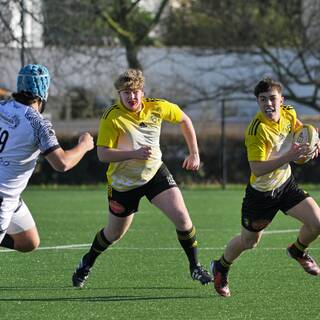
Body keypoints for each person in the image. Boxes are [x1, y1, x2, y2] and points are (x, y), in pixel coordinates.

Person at [72, 69, 212, 288]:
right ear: (119, 94)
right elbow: (102, 154)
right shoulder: (112, 117)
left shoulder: (157, 106)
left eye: (135, 92)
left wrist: (194, 153)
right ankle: (86, 263)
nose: (132, 97)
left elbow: (185, 120)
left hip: (155, 173)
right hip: (123, 184)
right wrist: (133, 154)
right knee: (114, 234)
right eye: (126, 93)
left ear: (142, 92)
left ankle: (195, 267)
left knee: (183, 219)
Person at [210, 77, 320, 297]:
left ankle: (297, 250)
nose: (268, 104)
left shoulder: (288, 112)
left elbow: (301, 131)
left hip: (286, 185)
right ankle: (221, 266)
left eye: (272, 98)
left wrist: (314, 143)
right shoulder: (256, 130)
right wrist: (289, 155)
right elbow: (257, 169)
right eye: (263, 100)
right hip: (261, 194)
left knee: (317, 223)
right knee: (249, 242)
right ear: (258, 102)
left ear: (281, 100)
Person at [0, 64, 94, 252]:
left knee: (28, 242)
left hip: (11, 197)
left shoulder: (2, 106)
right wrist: (84, 145)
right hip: (3, 198)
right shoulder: (38, 123)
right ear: (44, 92)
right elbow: (62, 163)